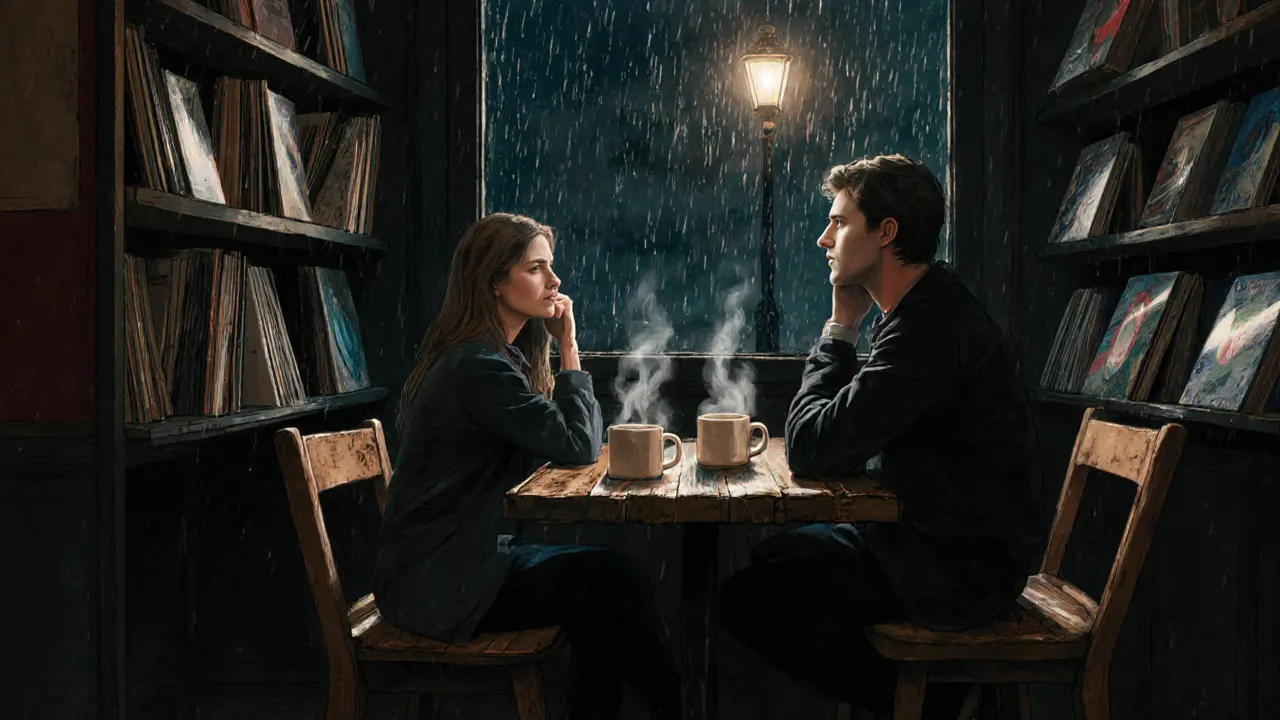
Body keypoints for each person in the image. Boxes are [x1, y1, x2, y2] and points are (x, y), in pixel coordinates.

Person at [718, 155, 1045, 718]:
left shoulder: (928, 329)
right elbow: (832, 437)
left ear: (886, 232)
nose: (824, 239)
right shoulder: (922, 312)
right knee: (776, 556)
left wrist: (839, 328)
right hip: (936, 541)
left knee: (748, 599)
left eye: (840, 222)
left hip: (957, 570)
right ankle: (920, 698)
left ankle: (924, 704)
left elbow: (812, 448)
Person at [374, 213, 681, 720]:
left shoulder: (490, 360)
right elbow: (580, 445)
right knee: (611, 578)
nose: (555, 282)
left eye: (551, 268)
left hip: (450, 564)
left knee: (605, 586)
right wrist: (568, 345)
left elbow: (565, 443)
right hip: (439, 584)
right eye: (537, 268)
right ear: (495, 281)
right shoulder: (478, 367)